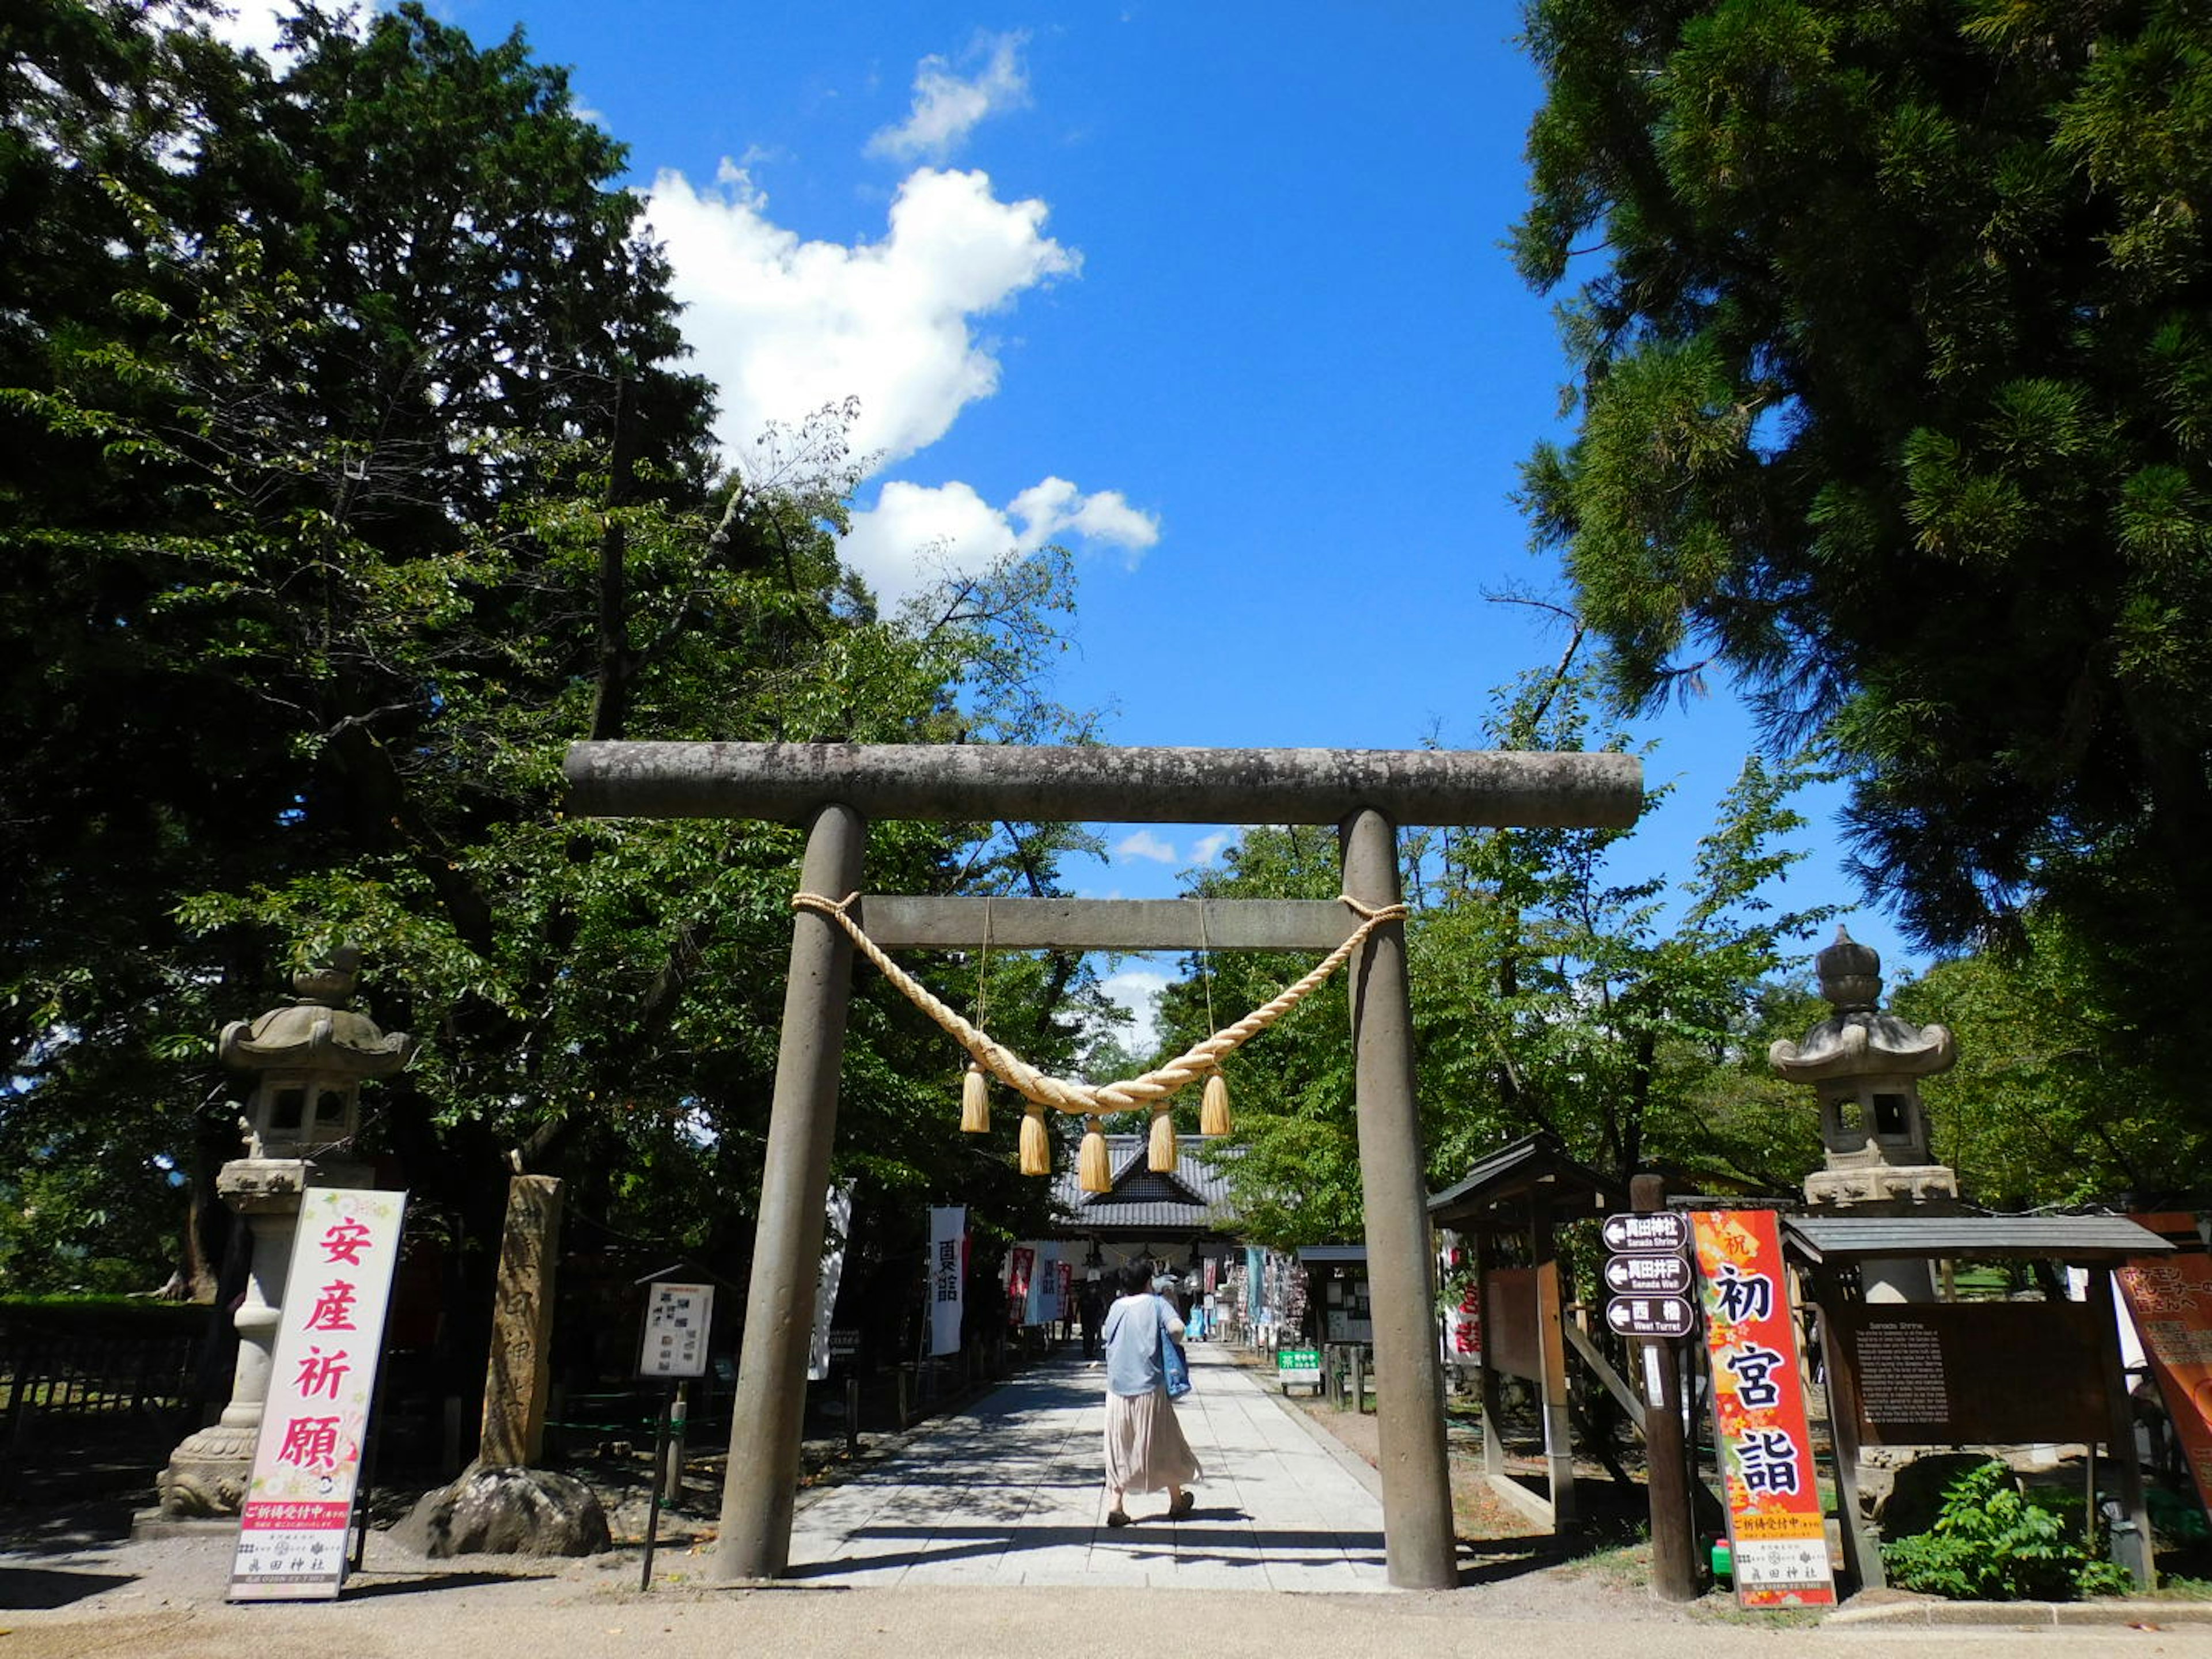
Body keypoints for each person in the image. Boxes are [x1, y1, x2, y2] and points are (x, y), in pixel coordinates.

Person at [1100, 1260, 1201, 1526]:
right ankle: (1177, 1502)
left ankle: (1116, 1505)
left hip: (1117, 1389)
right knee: (1164, 1442)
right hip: (1149, 1386)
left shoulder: (1115, 1307)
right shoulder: (1157, 1304)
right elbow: (1177, 1329)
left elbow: (1106, 1335)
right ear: (1148, 1282)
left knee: (1119, 1447)